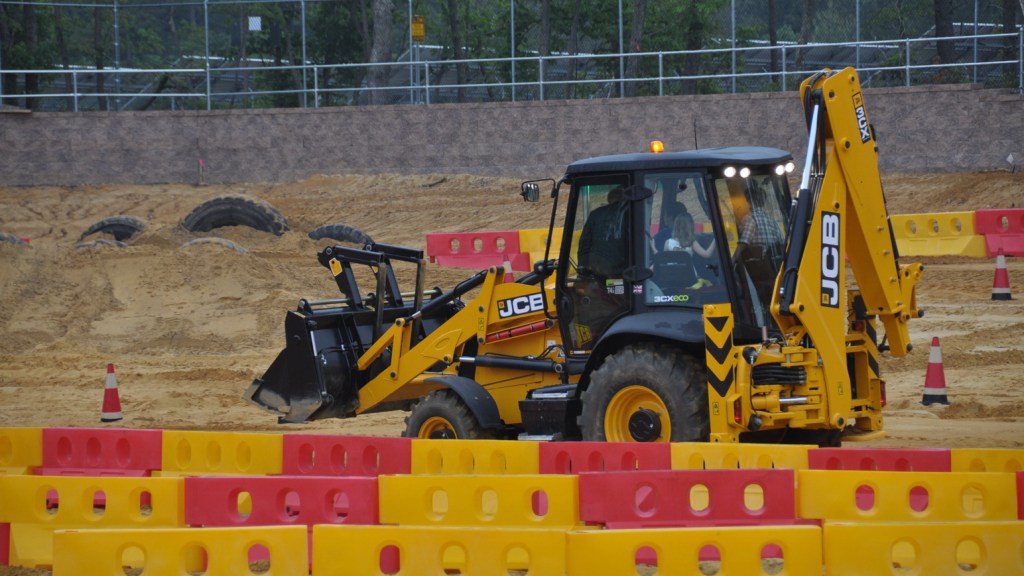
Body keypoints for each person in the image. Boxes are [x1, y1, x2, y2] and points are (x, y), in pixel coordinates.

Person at [577, 186, 628, 278]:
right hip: (626, 272)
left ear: (609, 200)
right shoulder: (631, 213)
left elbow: (584, 243)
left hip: (599, 270)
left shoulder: (595, 214)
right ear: (625, 200)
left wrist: (583, 268)